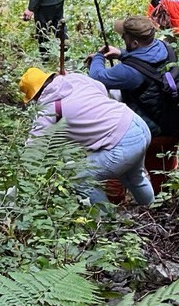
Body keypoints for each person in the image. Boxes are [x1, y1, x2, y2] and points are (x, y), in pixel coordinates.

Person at [87, 15, 179, 197]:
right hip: (173, 120)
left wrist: (98, 56)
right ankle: (164, 203)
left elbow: (97, 77)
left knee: (116, 163)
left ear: (135, 42)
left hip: (152, 130)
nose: (123, 39)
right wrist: (122, 54)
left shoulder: (129, 72)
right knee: (162, 170)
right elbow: (147, 62)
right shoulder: (165, 47)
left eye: (125, 37)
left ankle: (116, 204)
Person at [19, 66, 154, 206]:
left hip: (123, 143)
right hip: (136, 124)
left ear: (34, 96)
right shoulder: (74, 78)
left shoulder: (48, 111)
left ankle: (107, 222)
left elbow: (34, 148)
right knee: (134, 178)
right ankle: (152, 211)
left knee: (80, 179)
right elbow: (101, 88)